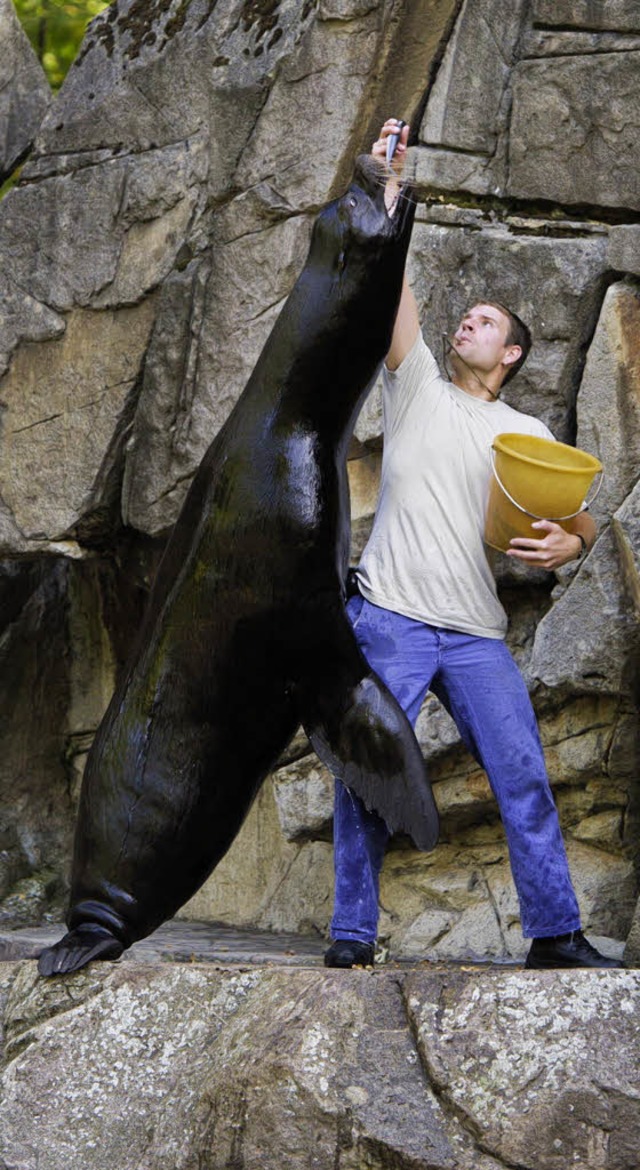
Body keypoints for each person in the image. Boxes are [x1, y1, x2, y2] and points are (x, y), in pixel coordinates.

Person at [324, 118, 623, 971]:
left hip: (477, 634)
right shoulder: (414, 381)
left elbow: (586, 518)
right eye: (466, 316)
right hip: (391, 617)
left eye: (485, 321)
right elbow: (395, 285)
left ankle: (554, 935)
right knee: (364, 778)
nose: (468, 324)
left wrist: (574, 541)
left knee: (523, 776)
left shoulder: (524, 430)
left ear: (513, 352)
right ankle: (352, 936)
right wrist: (386, 187)